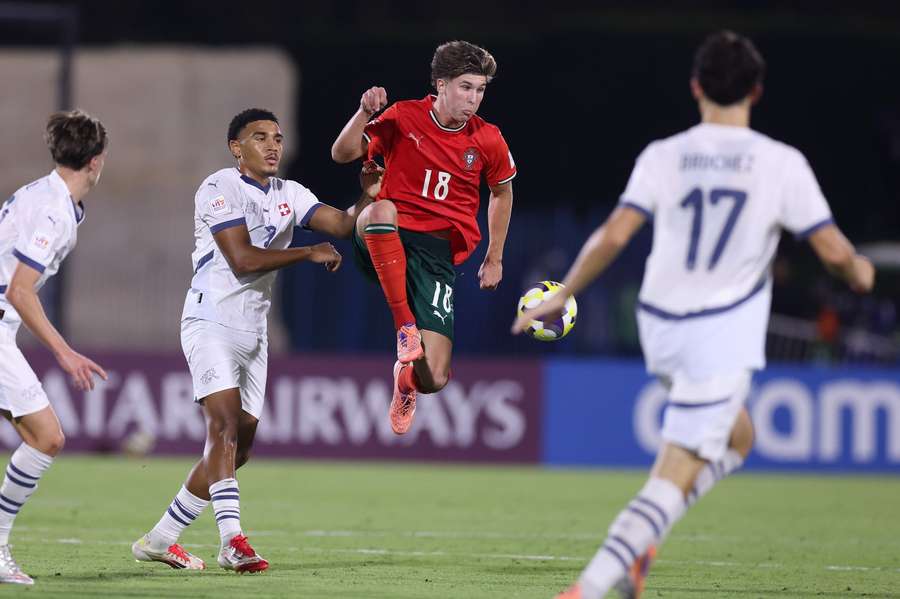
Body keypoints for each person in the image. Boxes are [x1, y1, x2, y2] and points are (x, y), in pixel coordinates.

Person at [512, 30, 875, 599]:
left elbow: (613, 234)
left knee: (738, 441)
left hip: (661, 326)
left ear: (696, 86)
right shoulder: (781, 163)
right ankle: (592, 584)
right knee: (673, 471)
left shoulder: (665, 154)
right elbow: (833, 253)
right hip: (718, 332)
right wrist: (860, 271)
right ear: (756, 91)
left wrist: (565, 292)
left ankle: (643, 541)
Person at [132, 108, 383, 573]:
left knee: (238, 447)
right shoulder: (218, 187)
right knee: (223, 427)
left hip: (254, 330)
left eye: (278, 138)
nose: (273, 145)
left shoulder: (291, 193)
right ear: (236, 148)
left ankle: (162, 537)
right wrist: (306, 250)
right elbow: (243, 260)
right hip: (211, 318)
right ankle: (233, 542)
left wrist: (366, 196)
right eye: (260, 137)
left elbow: (345, 225)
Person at [331, 40, 516, 435]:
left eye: (480, 90)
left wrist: (494, 257)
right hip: (387, 233)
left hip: (436, 255)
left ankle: (405, 381)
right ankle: (405, 329)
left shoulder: (488, 139)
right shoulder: (404, 116)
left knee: (434, 376)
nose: (474, 99)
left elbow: (502, 190)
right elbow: (342, 152)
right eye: (465, 87)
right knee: (381, 209)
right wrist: (365, 112)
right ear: (441, 84)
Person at [0, 110, 110, 585]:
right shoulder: (53, 210)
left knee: (43, 436)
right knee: (47, 437)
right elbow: (20, 290)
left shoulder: (42, 196)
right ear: (96, 160)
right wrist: (65, 353)